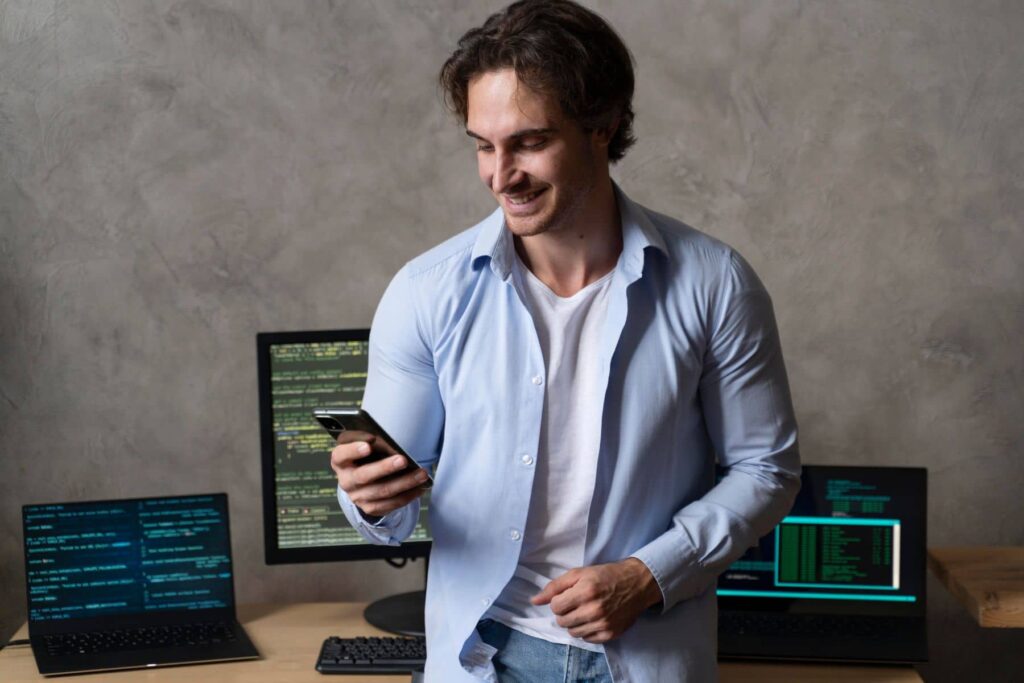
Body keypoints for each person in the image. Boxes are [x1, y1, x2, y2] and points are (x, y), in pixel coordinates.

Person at [331, 1, 800, 681]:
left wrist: (648, 573)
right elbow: (385, 510)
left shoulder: (715, 283)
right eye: (483, 145)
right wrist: (369, 495)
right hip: (481, 656)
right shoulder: (425, 292)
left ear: (602, 127)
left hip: (642, 656)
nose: (501, 175)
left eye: (528, 142)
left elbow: (766, 469)